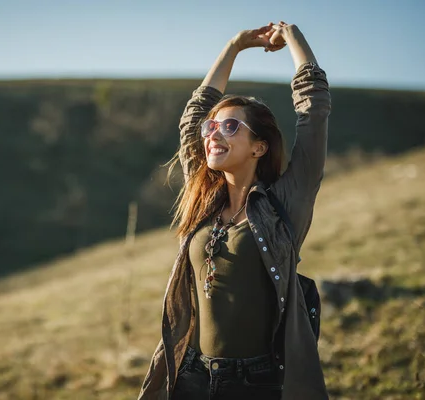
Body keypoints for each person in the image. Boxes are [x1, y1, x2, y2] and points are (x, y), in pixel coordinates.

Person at [137, 22, 331, 400]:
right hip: (190, 374)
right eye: (212, 127)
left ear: (259, 147)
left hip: (256, 383)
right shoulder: (204, 200)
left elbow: (314, 112)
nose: (213, 134)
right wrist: (234, 45)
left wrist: (293, 36)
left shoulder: (286, 202)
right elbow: (193, 116)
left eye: (229, 126)